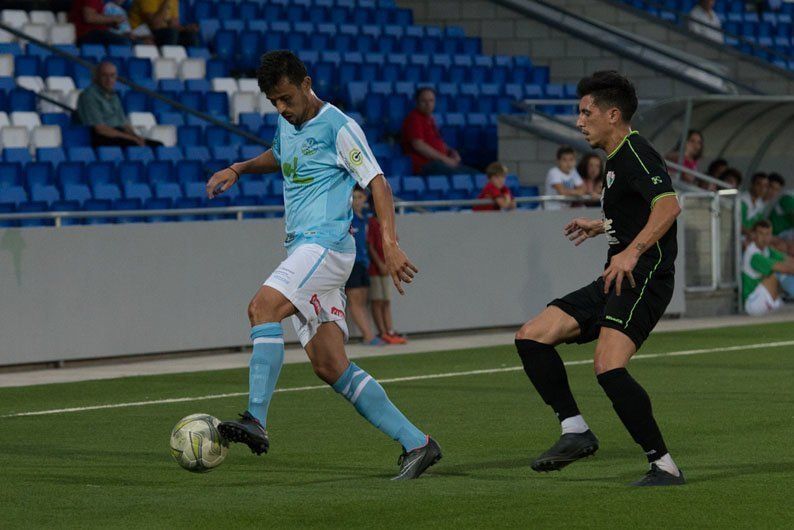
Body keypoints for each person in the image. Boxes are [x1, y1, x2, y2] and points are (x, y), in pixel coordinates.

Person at [205, 51, 440, 480]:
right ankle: (418, 443)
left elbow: (378, 181)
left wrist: (389, 243)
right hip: (303, 251)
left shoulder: (340, 126)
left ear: (306, 82)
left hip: (327, 246)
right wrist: (238, 168)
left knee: (262, 309)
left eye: (286, 98)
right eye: (273, 102)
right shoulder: (287, 122)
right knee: (330, 366)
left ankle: (256, 418)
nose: (281, 108)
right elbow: (280, 155)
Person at [514, 71, 685, 486]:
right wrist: (602, 226)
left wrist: (631, 250)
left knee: (608, 366)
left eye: (585, 112)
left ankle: (664, 465)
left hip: (646, 276)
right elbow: (636, 213)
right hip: (616, 276)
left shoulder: (638, 153)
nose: (579, 121)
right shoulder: (616, 158)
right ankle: (575, 430)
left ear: (613, 115)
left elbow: (668, 207)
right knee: (532, 336)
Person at [76, 61, 164, 148]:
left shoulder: (113, 95)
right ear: (97, 77)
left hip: (118, 134)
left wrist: (136, 136)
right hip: (100, 136)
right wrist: (131, 138)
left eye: (112, 75)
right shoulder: (89, 95)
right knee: (134, 145)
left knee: (157, 145)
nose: (109, 79)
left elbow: (123, 123)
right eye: (104, 75)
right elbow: (100, 129)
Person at [401, 87, 479, 176]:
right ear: (417, 102)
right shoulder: (414, 119)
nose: (428, 104)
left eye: (431, 101)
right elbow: (419, 145)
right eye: (424, 101)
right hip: (426, 165)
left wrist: (451, 151)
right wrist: (445, 159)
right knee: (461, 176)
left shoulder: (430, 119)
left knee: (475, 175)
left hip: (440, 162)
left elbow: (437, 141)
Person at [345, 186, 384, 346]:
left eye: (360, 197)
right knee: (355, 301)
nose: (357, 201)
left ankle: (368, 334)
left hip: (362, 263)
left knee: (362, 301)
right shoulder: (347, 218)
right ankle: (368, 335)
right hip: (351, 264)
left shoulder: (364, 219)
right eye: (354, 198)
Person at [367, 202, 408, 345]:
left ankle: (390, 330)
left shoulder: (387, 223)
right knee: (377, 300)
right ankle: (382, 331)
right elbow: (370, 245)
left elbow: (395, 240)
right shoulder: (372, 223)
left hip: (386, 267)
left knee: (386, 300)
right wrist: (380, 263)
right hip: (375, 268)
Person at [742, 220, 794, 315]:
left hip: (764, 298)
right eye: (761, 234)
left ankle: (776, 303)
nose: (764, 238)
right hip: (753, 302)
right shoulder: (754, 254)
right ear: (754, 235)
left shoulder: (767, 250)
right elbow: (785, 268)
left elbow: (788, 260)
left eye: (768, 234)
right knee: (777, 273)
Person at [128, 0, 199, 47]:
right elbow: (155, 25)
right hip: (141, 32)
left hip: (161, 32)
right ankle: (167, 63)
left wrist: (186, 28)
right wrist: (166, 2)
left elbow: (173, 25)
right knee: (171, 33)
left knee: (190, 36)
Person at [544, 146, 586, 210]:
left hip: (566, 208)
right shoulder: (554, 172)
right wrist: (577, 192)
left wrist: (572, 192)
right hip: (552, 208)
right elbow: (562, 192)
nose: (568, 163)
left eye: (571, 159)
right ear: (558, 161)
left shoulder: (573, 171)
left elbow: (583, 189)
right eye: (564, 160)